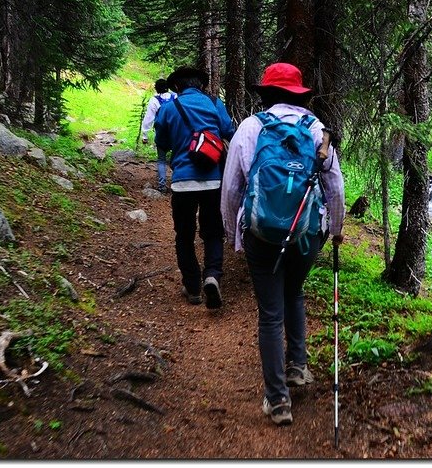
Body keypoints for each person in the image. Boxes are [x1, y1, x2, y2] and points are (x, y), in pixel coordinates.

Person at [221, 62, 345, 426]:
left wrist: (234, 234)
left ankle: (278, 401)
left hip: (262, 233)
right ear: (298, 95)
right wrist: (335, 228)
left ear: (268, 94)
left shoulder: (251, 127)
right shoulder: (317, 131)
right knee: (295, 293)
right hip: (307, 232)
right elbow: (334, 185)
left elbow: (231, 188)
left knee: (270, 313)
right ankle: (298, 367)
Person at [155, 66, 236, 309]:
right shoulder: (214, 103)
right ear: (200, 84)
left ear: (177, 86)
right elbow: (229, 131)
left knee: (185, 235)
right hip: (213, 180)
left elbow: (163, 142)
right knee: (212, 232)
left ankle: (192, 286)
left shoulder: (169, 107)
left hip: (183, 182)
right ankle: (212, 275)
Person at [141, 78, 177, 193]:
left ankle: (162, 185)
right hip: (175, 133)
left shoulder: (154, 100)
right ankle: (177, 183)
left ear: (156, 88)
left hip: (161, 133)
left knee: (161, 160)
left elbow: (149, 118)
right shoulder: (175, 97)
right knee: (176, 158)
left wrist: (145, 135)